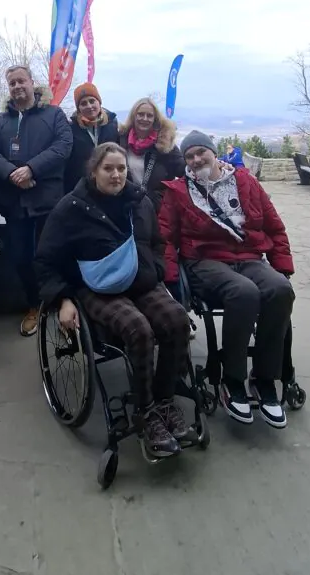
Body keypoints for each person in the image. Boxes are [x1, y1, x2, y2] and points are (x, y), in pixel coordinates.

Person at [35, 143, 194, 458]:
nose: (117, 175)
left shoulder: (139, 201)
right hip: (95, 289)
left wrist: (157, 269)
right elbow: (45, 261)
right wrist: (63, 299)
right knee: (138, 328)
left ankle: (164, 400)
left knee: (177, 321)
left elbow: (158, 241)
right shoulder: (70, 209)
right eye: (108, 168)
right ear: (93, 171)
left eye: (121, 168)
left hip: (141, 281)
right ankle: (146, 411)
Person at [159, 131, 295, 430]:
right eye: (189, 156)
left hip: (248, 256)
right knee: (243, 292)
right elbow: (165, 237)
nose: (196, 160)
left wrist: (281, 266)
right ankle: (233, 379)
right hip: (205, 261)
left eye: (201, 153)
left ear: (214, 152)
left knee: (280, 290)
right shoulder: (178, 191)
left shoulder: (246, 182)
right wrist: (171, 279)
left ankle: (264, 378)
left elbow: (274, 225)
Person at [0, 65, 72, 337]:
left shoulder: (53, 114)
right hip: (14, 203)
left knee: (54, 255)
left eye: (21, 81)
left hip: (48, 200)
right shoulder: (0, 121)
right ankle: (34, 305)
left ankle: (63, 306)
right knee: (21, 258)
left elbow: (63, 146)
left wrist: (31, 169)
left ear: (32, 82)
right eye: (12, 83)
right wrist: (12, 173)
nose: (17, 86)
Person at [118, 98, 184, 211]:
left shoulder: (165, 143)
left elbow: (183, 170)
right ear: (133, 116)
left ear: (155, 119)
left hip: (156, 208)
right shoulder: (121, 139)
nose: (145, 119)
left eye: (149, 116)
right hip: (125, 204)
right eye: (140, 114)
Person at [64, 82, 119, 192]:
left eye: (92, 101)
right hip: (81, 187)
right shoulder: (71, 129)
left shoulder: (112, 124)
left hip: (109, 183)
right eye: (83, 103)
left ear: (99, 102)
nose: (89, 106)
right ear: (78, 108)